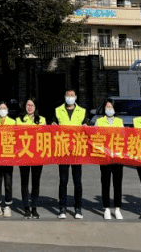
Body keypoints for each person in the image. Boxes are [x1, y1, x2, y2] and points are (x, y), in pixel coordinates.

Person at [55, 88, 86, 219]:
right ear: (64, 97)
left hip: (77, 151)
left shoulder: (82, 111)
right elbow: (52, 126)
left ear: (76, 97)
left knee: (77, 181)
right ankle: (62, 208)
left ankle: (78, 209)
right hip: (63, 150)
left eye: (72, 95)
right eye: (68, 95)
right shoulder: (57, 111)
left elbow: (87, 127)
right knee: (63, 181)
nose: (70, 97)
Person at [94, 98, 124, 220]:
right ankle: (106, 208)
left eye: (111, 107)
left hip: (117, 157)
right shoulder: (99, 121)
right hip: (104, 157)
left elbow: (124, 138)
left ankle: (117, 208)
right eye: (107, 107)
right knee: (105, 183)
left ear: (114, 109)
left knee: (117, 184)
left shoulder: (119, 121)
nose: (109, 109)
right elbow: (94, 137)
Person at [18, 97, 45, 218]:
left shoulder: (42, 120)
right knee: (24, 183)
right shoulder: (19, 120)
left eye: (32, 105)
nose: (30, 107)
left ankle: (34, 207)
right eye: (28, 105)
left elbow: (46, 137)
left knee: (35, 183)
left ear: (35, 107)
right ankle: (26, 208)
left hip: (37, 156)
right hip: (23, 155)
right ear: (25, 106)